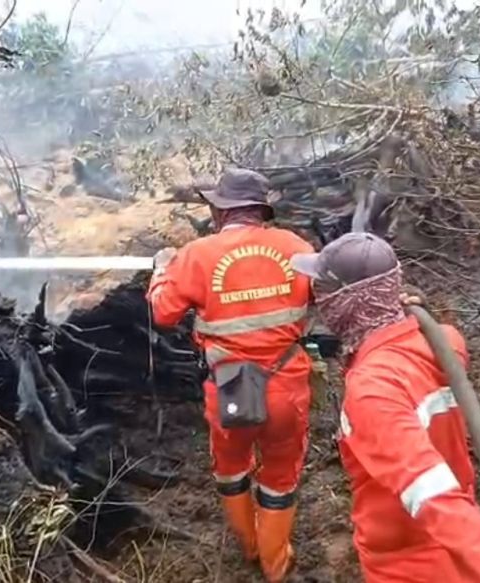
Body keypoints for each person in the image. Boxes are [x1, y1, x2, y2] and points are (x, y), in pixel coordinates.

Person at [290, 231, 480, 583]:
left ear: (346, 301)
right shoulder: (444, 342)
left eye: (322, 289)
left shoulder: (373, 388)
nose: (318, 299)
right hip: (447, 548)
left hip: (407, 564)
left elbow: (437, 499)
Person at [147, 168, 313, 582]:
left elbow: (163, 313)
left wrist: (162, 270)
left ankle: (250, 546)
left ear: (220, 211)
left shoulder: (197, 255)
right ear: (262, 210)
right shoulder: (296, 247)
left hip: (231, 388)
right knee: (281, 472)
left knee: (231, 465)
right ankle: (275, 564)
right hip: (287, 386)